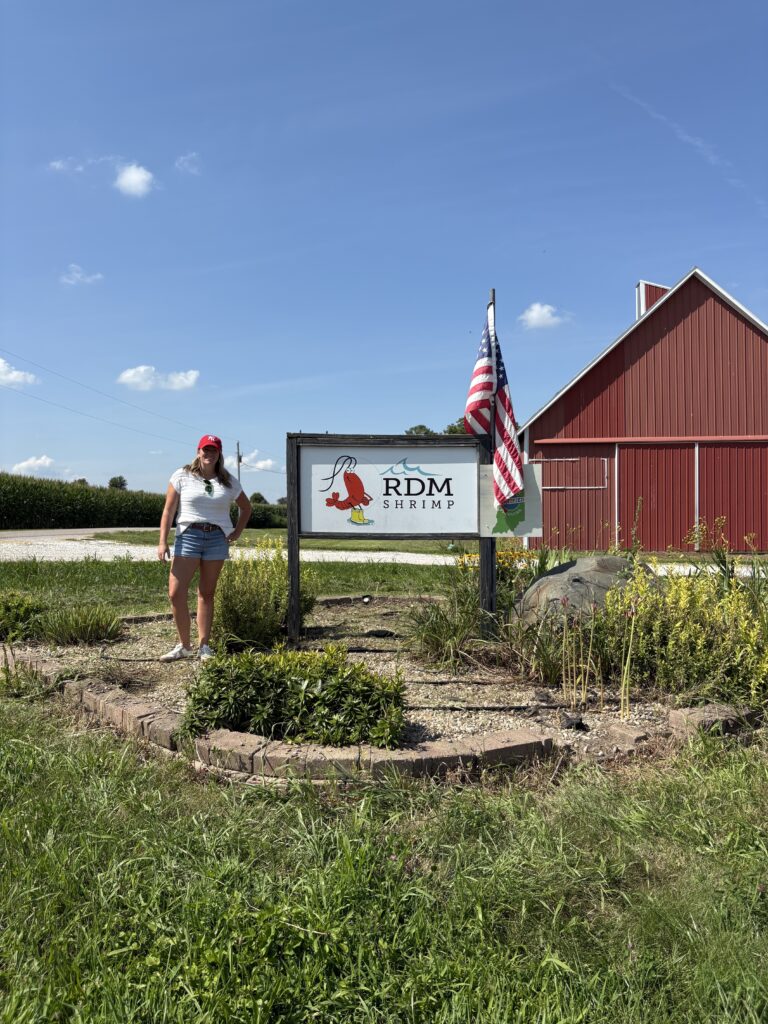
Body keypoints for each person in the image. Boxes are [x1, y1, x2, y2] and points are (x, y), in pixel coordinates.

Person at [157, 434, 252, 661]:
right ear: (198, 451)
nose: (208, 454)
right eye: (205, 450)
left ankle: (204, 646)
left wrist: (237, 532)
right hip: (188, 535)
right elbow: (168, 511)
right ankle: (184, 645)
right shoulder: (182, 475)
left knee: (206, 593)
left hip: (216, 539)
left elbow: (246, 508)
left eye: (213, 450)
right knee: (176, 592)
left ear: (219, 454)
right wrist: (162, 541)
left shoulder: (228, 481)